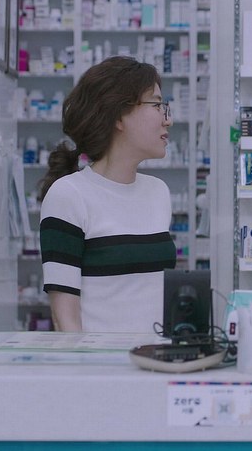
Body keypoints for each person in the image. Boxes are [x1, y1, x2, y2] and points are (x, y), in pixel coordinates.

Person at [38, 56, 177, 333]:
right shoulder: (68, 195)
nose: (168, 120)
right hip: (101, 358)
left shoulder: (158, 192)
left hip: (156, 356)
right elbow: (65, 320)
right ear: (118, 116)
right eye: (157, 105)